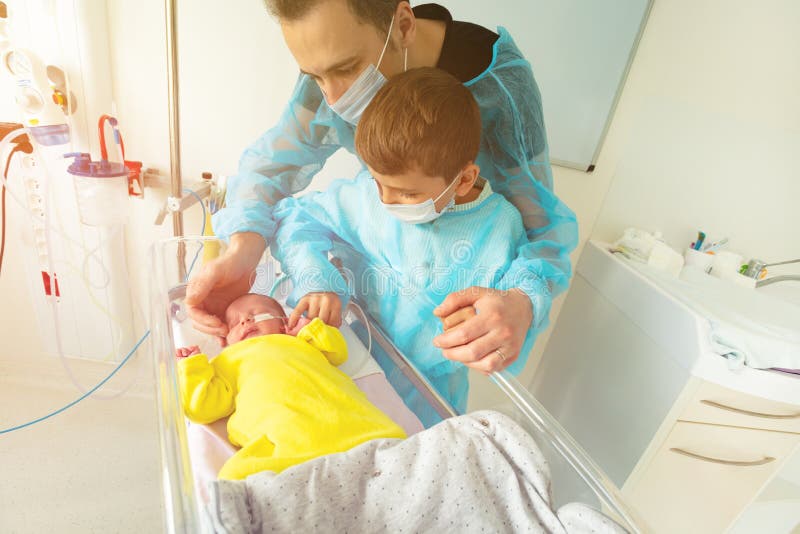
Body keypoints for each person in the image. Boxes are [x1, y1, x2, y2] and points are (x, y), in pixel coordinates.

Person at [186, 1, 578, 373]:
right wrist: (243, 249)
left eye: (347, 68)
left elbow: (542, 229)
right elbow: (271, 166)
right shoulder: (334, 69)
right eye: (315, 77)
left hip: (431, 358)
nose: (334, 99)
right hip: (362, 329)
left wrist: (521, 301)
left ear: (404, 25)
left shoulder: (498, 94)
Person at [272, 67, 534, 412]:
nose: (386, 200)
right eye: (378, 182)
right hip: (352, 363)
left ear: (463, 180)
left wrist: (482, 325)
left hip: (432, 396)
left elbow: (512, 308)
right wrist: (318, 280)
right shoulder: (366, 199)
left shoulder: (501, 228)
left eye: (407, 193)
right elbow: (295, 219)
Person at [176, 293, 406, 480]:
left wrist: (310, 328)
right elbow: (203, 407)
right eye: (235, 323)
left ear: (284, 322)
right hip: (281, 443)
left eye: (255, 315)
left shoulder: (300, 342)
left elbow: (337, 351)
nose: (245, 321)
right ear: (224, 341)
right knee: (234, 478)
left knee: (392, 448)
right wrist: (193, 367)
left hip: (346, 425)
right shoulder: (227, 360)